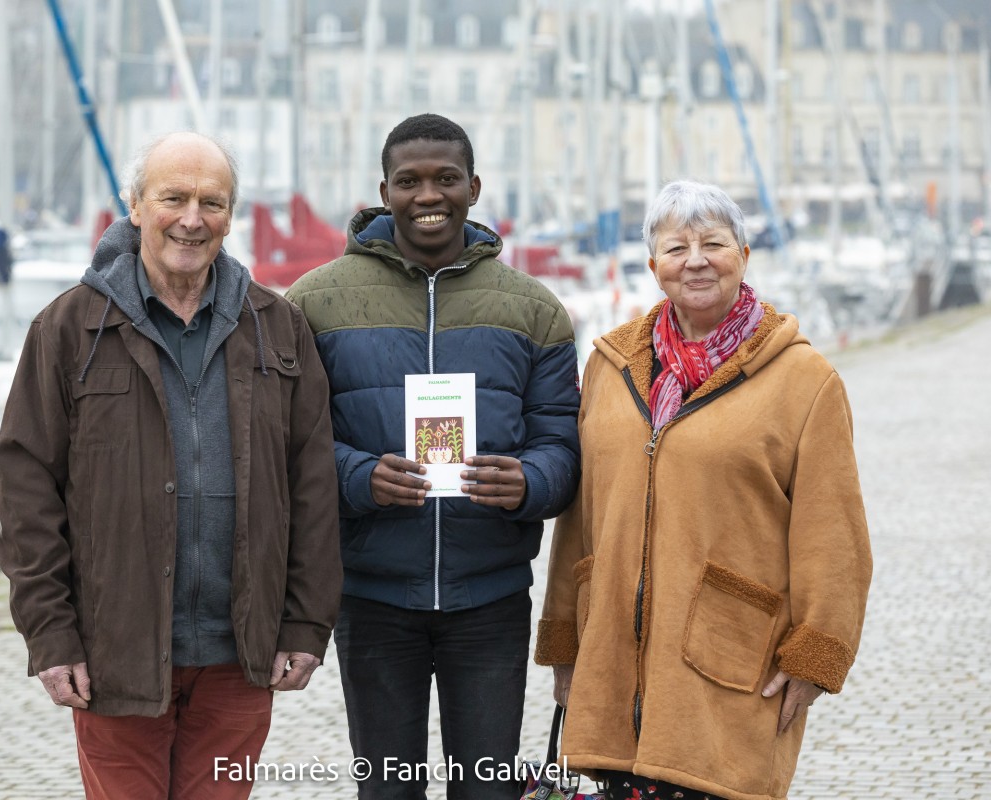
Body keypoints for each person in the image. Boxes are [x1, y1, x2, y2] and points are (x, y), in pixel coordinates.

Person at [0, 131, 342, 800]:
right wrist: (50, 635)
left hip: (240, 657)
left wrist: (305, 623)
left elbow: (313, 486)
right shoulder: (68, 329)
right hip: (112, 655)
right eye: (173, 198)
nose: (191, 219)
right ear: (134, 206)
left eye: (211, 202)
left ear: (231, 215)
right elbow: (26, 488)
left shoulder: (277, 327)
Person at [535, 180, 872, 800]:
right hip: (612, 661)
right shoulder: (610, 368)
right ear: (653, 265)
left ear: (744, 255)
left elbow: (835, 535)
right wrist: (565, 635)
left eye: (714, 243)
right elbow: (582, 520)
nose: (696, 260)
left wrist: (815, 659)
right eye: (677, 247)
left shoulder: (805, 380)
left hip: (730, 662)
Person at [285, 113, 581, 799]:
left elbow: (562, 443)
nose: (428, 196)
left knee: (487, 790)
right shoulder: (314, 303)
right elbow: (287, 445)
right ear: (383, 190)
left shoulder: (535, 310)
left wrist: (530, 481)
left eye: (446, 179)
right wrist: (360, 476)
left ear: (473, 188)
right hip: (371, 594)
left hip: (492, 598)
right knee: (388, 791)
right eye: (409, 181)